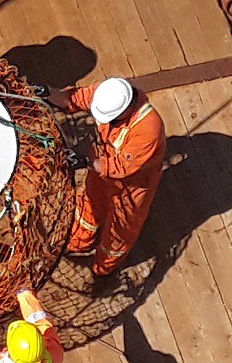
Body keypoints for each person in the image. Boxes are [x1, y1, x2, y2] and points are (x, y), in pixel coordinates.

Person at [47, 77, 166, 276]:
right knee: (89, 205)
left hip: (132, 186)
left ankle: (103, 267)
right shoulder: (107, 94)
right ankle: (78, 241)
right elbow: (75, 98)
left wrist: (86, 162)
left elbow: (122, 167)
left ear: (125, 111)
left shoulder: (149, 129)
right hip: (100, 170)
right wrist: (47, 92)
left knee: (120, 230)